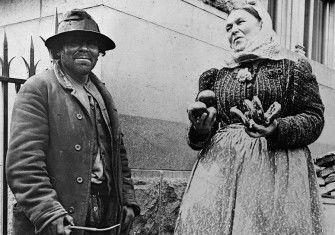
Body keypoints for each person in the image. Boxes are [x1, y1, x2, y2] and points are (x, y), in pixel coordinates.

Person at [174, 1, 325, 234]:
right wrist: (201, 130)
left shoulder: (293, 69)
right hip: (220, 171)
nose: (233, 29)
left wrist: (277, 128)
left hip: (276, 171)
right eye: (228, 27)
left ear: (262, 24)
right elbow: (200, 138)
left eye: (240, 22)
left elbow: (314, 119)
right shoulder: (216, 77)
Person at [6, 9, 140, 235]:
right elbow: (24, 165)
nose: (85, 48)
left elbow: (119, 155)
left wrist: (127, 199)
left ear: (100, 52)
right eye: (75, 42)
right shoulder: (38, 89)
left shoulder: (102, 93)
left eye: (92, 43)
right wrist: (49, 212)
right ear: (58, 50)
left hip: (104, 213)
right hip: (60, 217)